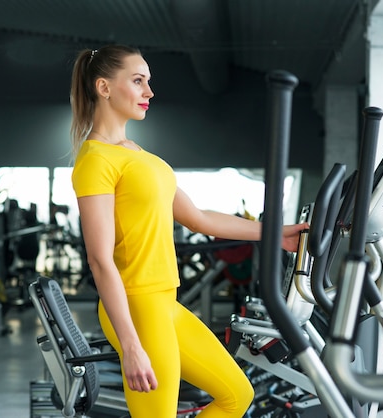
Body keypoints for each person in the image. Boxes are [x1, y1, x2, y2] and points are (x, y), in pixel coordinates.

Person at [69, 44, 308, 418]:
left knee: (236, 395)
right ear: (104, 87)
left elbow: (198, 218)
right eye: (137, 81)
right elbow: (99, 260)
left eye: (148, 81)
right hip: (137, 307)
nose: (149, 92)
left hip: (165, 303)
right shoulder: (95, 160)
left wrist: (275, 233)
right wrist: (131, 346)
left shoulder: (135, 152)